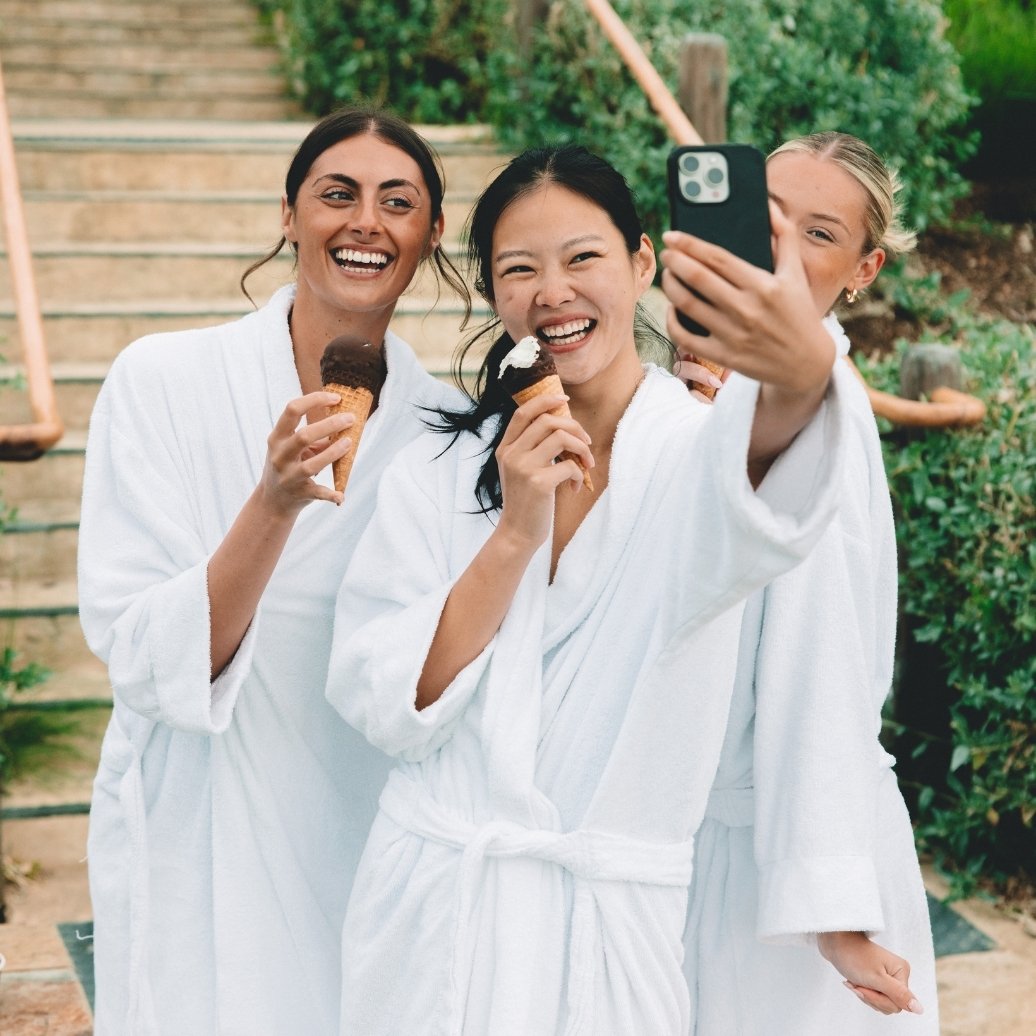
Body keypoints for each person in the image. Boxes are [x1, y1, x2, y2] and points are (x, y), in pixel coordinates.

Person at [324, 143, 884, 1034]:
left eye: (583, 257)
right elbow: (381, 695)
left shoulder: (697, 452)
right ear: (492, 294)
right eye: (519, 269)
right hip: (435, 922)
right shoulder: (437, 465)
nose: (553, 291)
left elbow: (766, 484)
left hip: (607, 934)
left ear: (642, 263)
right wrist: (513, 531)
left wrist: (801, 368)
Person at [78, 106, 469, 1035]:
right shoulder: (160, 380)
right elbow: (140, 653)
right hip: (205, 814)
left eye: (397, 202)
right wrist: (274, 502)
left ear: (433, 234)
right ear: (290, 216)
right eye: (336, 195)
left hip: (368, 810)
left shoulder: (452, 428)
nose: (365, 222)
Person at [666, 131, 938, 1032]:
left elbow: (819, 653)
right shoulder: (709, 386)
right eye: (770, 218)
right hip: (706, 837)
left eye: (818, 234)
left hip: (780, 861)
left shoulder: (822, 409)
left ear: (863, 270)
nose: (782, 249)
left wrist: (832, 911)